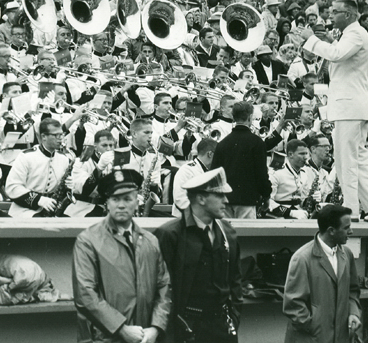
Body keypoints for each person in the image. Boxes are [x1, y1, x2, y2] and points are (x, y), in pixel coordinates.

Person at [300, 0, 368, 222]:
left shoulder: (356, 33)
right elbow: (339, 55)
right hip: (352, 106)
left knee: (345, 160)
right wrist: (329, 41)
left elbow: (337, 55)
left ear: (348, 15)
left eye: (336, 12)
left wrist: (311, 39)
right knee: (359, 158)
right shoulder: (352, 34)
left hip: (350, 107)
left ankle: (351, 210)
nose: (331, 15)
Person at [72, 167, 171, 343]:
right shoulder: (88, 241)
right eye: (115, 199)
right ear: (107, 203)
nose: (121, 205)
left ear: (137, 200)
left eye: (127, 198)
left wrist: (156, 328)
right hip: (103, 338)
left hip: (144, 337)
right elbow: (85, 295)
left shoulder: (150, 241)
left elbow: (164, 287)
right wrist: (121, 329)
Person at [156, 168, 242, 343]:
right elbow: (161, 288)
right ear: (201, 198)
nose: (226, 201)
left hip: (222, 327)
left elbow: (235, 281)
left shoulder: (228, 233)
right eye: (219, 195)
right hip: (186, 328)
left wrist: (234, 317)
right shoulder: (171, 235)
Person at [283, 204, 361, 343]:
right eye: (346, 228)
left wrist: (353, 313)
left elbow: (352, 291)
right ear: (331, 230)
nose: (351, 231)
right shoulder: (302, 258)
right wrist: (315, 327)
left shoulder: (347, 254)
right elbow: (293, 305)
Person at [211, 101, 271, 219]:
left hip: (225, 200)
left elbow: (214, 174)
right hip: (247, 200)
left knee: (226, 235)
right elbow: (261, 174)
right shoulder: (257, 142)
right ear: (250, 117)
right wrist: (266, 195)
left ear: (233, 117)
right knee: (246, 236)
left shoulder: (222, 143)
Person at [171, 137, 217, 217]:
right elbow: (180, 199)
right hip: (184, 221)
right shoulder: (186, 170)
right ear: (210, 154)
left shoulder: (209, 171)